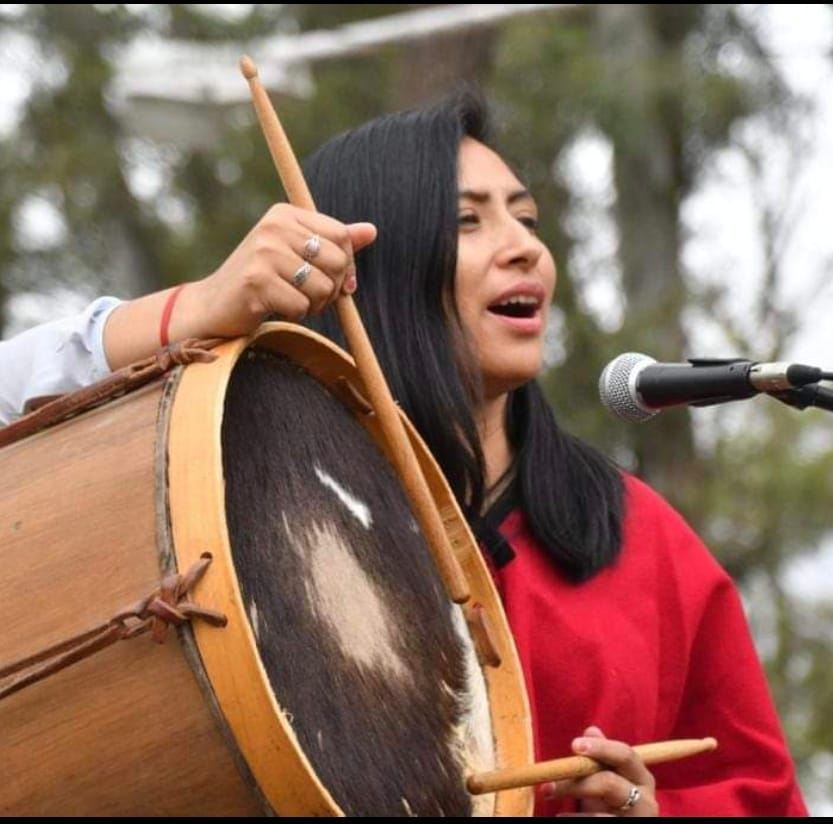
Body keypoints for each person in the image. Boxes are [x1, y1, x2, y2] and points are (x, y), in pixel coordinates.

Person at [0, 92, 807, 817]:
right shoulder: (224, 490)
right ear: (361, 267)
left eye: (527, 218)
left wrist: (649, 813)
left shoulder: (640, 540)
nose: (524, 247)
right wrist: (196, 309)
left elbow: (760, 794)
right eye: (468, 221)